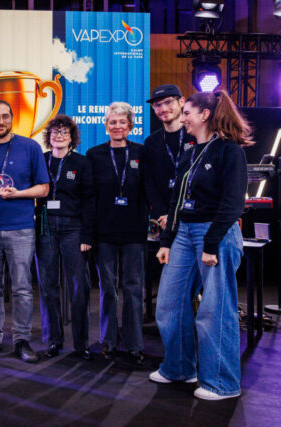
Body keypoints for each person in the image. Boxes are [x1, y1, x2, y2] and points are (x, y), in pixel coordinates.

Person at [151, 91, 251, 401]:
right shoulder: (190, 151)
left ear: (204, 115)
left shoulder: (229, 151)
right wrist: (166, 241)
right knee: (169, 304)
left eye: (187, 113)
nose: (182, 118)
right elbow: (177, 200)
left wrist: (211, 243)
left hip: (215, 234)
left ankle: (222, 383)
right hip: (183, 232)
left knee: (214, 310)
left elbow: (233, 203)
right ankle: (179, 369)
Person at [0, 100, 50, 363]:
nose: (1, 121)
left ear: (12, 118)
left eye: (5, 116)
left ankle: (22, 340)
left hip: (21, 229)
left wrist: (18, 194)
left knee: (22, 288)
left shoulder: (30, 147)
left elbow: (44, 188)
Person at [86, 101, 147, 366]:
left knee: (134, 288)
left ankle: (135, 344)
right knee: (108, 288)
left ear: (130, 125)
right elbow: (89, 196)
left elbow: (148, 189)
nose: (117, 126)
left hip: (134, 231)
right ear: (106, 126)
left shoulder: (141, 153)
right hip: (104, 232)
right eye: (113, 122)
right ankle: (108, 341)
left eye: (122, 122)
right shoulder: (94, 155)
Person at [35, 114, 95, 360]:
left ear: (72, 138)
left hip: (74, 228)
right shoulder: (41, 160)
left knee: (79, 287)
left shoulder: (82, 163)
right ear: (49, 136)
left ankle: (81, 344)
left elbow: (90, 200)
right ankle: (53, 341)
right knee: (48, 286)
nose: (59, 135)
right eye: (55, 131)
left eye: (64, 132)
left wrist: (87, 235)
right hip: (46, 226)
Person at [144, 85, 195, 230]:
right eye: (157, 105)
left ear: (182, 102)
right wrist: (163, 214)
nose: (163, 109)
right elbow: (149, 183)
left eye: (168, 102)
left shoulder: (196, 136)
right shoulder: (151, 142)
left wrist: (175, 215)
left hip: (192, 217)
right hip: (162, 221)